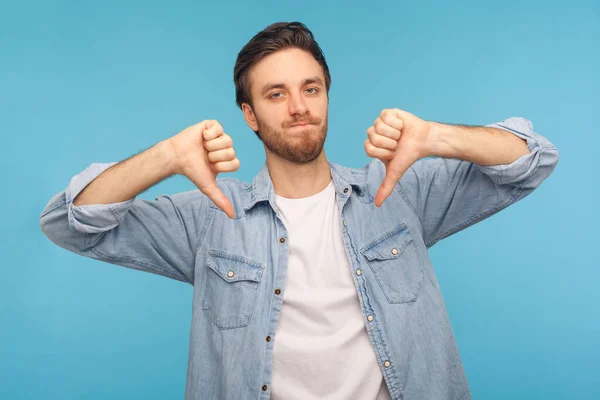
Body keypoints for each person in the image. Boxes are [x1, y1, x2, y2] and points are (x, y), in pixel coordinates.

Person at [39, 21, 559, 400]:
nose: (299, 107)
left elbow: (533, 160)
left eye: (311, 89)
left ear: (327, 96)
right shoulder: (210, 218)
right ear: (249, 115)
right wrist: (166, 158)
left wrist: (436, 137)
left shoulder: (398, 193)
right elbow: (70, 224)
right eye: (276, 94)